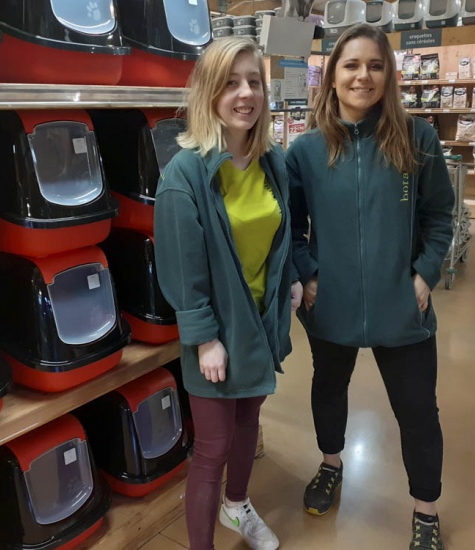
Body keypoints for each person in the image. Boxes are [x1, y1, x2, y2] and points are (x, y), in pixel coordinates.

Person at [286, 24, 455, 550]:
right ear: (332, 76)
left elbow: (440, 214)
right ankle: (331, 464)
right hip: (330, 304)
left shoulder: (417, 138)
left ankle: (426, 509)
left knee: (418, 411)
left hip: (400, 307)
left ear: (389, 75)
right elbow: (289, 227)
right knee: (328, 389)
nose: (363, 76)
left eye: (375, 66)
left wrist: (425, 274)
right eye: (352, 65)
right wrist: (308, 274)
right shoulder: (306, 151)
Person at [154, 37, 302, 550]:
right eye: (231, 83)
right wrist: (203, 338)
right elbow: (180, 267)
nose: (246, 94)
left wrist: (291, 279)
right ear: (208, 93)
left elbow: (282, 233)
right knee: (212, 446)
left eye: (254, 82)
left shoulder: (272, 161)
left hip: (261, 323)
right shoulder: (185, 174)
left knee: (247, 426)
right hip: (217, 332)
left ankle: (237, 507)